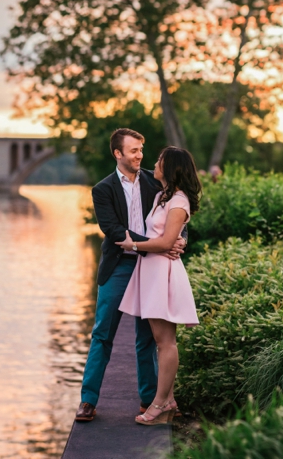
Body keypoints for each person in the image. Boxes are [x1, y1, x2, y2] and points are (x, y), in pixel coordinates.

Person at [74, 129, 186, 423]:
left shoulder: (156, 181)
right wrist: (159, 245)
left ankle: (149, 400)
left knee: (146, 337)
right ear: (118, 154)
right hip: (120, 266)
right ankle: (88, 400)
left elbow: (175, 213)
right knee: (102, 334)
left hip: (151, 267)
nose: (140, 155)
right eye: (134, 150)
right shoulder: (103, 189)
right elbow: (113, 231)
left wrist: (180, 237)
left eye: (141, 150)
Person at [117, 146, 201, 425]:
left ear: (172, 167)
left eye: (160, 160)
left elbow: (166, 242)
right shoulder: (160, 197)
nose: (154, 163)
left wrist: (134, 244)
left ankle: (160, 404)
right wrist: (176, 239)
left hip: (163, 271)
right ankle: (169, 399)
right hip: (150, 270)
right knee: (159, 341)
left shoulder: (179, 201)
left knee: (166, 342)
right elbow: (166, 236)